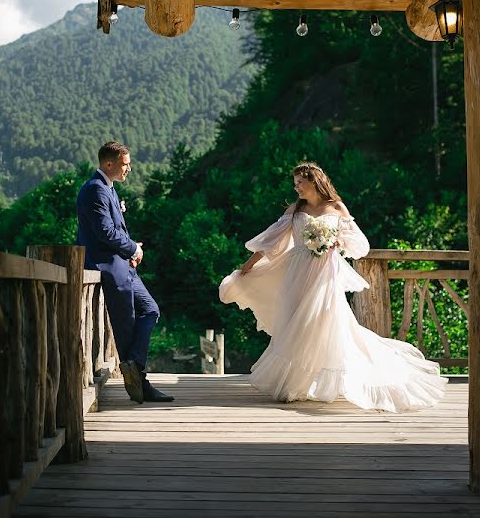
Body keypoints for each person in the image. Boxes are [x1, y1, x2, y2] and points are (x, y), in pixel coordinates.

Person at [219, 162, 447, 412]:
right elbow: (271, 241)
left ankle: (311, 383)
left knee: (321, 324)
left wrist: (336, 240)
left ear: (314, 181)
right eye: (294, 184)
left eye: (300, 183)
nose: (296, 188)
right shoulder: (296, 210)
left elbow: (361, 245)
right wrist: (247, 267)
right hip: (296, 273)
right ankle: (293, 385)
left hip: (325, 276)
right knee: (295, 323)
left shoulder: (337, 207)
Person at [76, 142, 174, 404]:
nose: (129, 167)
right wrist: (133, 248)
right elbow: (105, 232)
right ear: (109, 164)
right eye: (125, 163)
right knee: (127, 327)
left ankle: (132, 363)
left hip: (123, 266)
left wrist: (131, 250)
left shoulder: (107, 188)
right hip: (107, 268)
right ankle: (141, 385)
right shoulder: (94, 190)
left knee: (151, 309)